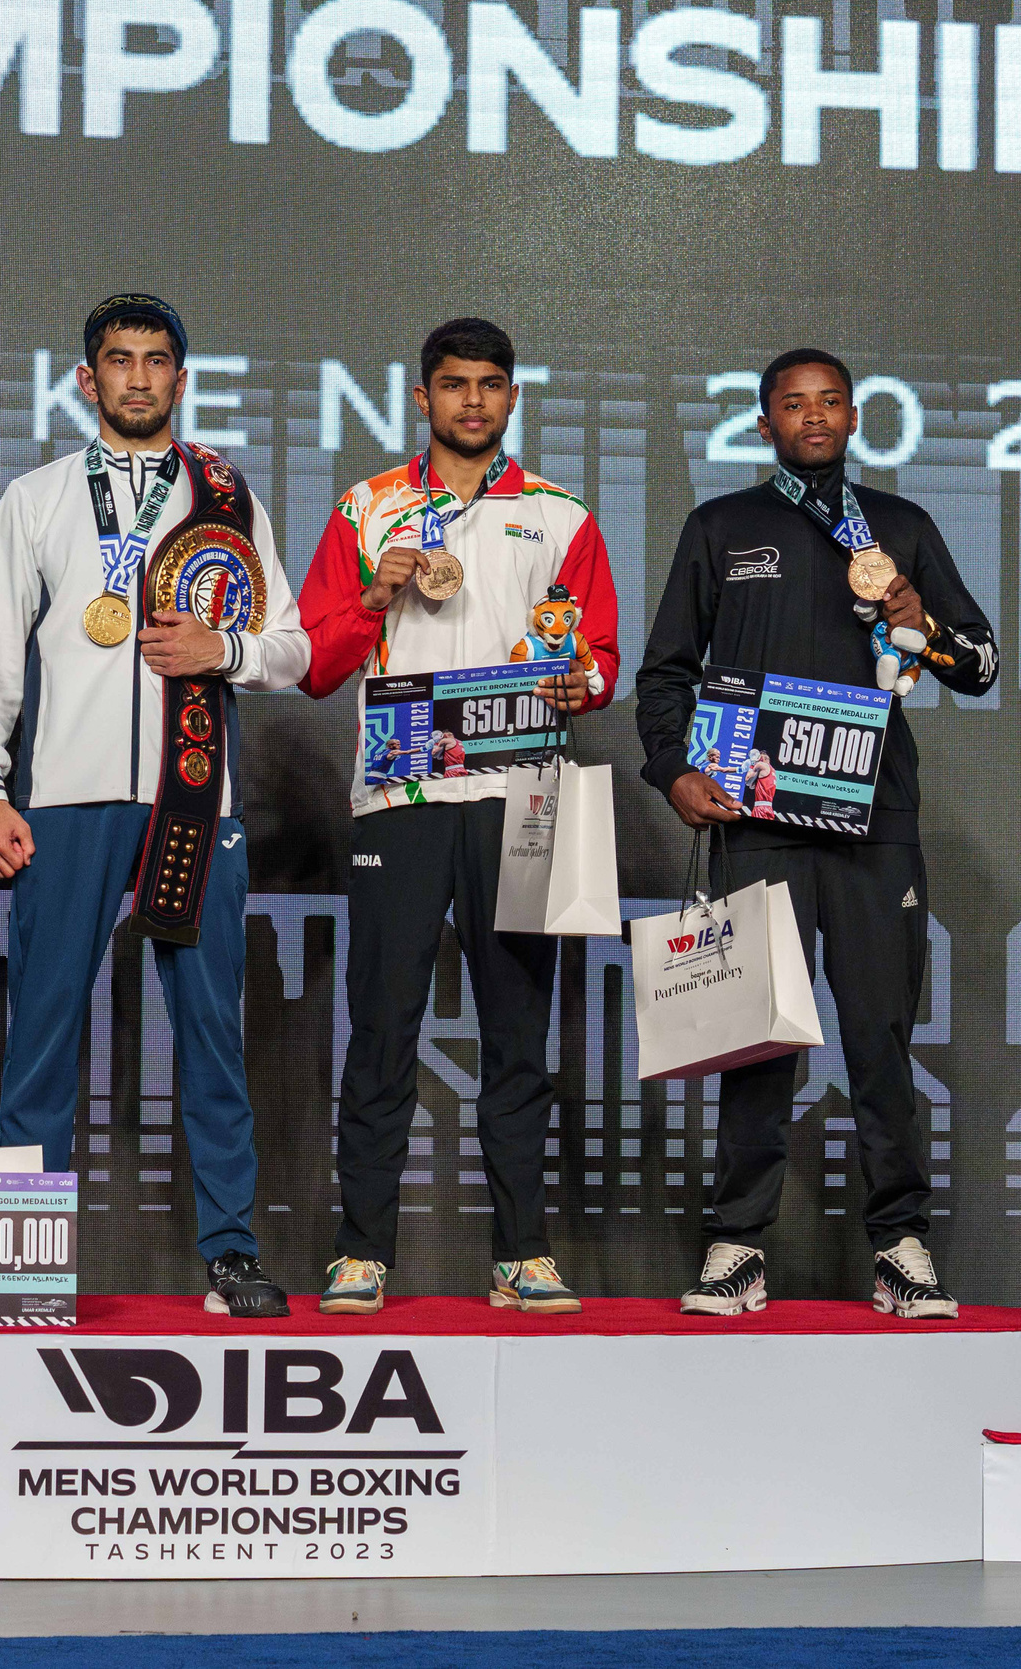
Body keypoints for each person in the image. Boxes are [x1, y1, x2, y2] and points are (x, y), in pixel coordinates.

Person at [0, 294, 309, 1317]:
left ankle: (230, 1254)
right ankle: (20, 1266)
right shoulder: (37, 498)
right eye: (120, 360)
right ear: (88, 378)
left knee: (211, 1035)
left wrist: (221, 649)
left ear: (181, 379)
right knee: (41, 1033)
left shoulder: (226, 497)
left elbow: (291, 648)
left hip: (192, 799)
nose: (139, 377)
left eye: (157, 361)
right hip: (65, 802)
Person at [635, 347, 997, 1318]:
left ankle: (900, 1245)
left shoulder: (900, 528)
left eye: (830, 400)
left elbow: (982, 663)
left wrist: (925, 626)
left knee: (881, 1039)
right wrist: (672, 769)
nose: (814, 416)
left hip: (874, 820)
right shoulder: (722, 527)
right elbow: (664, 671)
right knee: (757, 1036)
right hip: (759, 817)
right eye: (793, 404)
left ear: (854, 415)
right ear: (765, 424)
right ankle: (737, 1244)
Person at [294, 317, 621, 1316]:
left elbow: (600, 661)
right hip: (404, 796)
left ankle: (523, 1254)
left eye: (489, 384)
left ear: (512, 397)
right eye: (453, 384)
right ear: (422, 397)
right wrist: (371, 595)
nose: (472, 401)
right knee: (382, 1028)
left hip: (523, 796)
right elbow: (314, 664)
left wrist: (581, 681)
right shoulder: (366, 508)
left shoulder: (560, 516)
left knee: (519, 1032)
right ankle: (361, 1252)